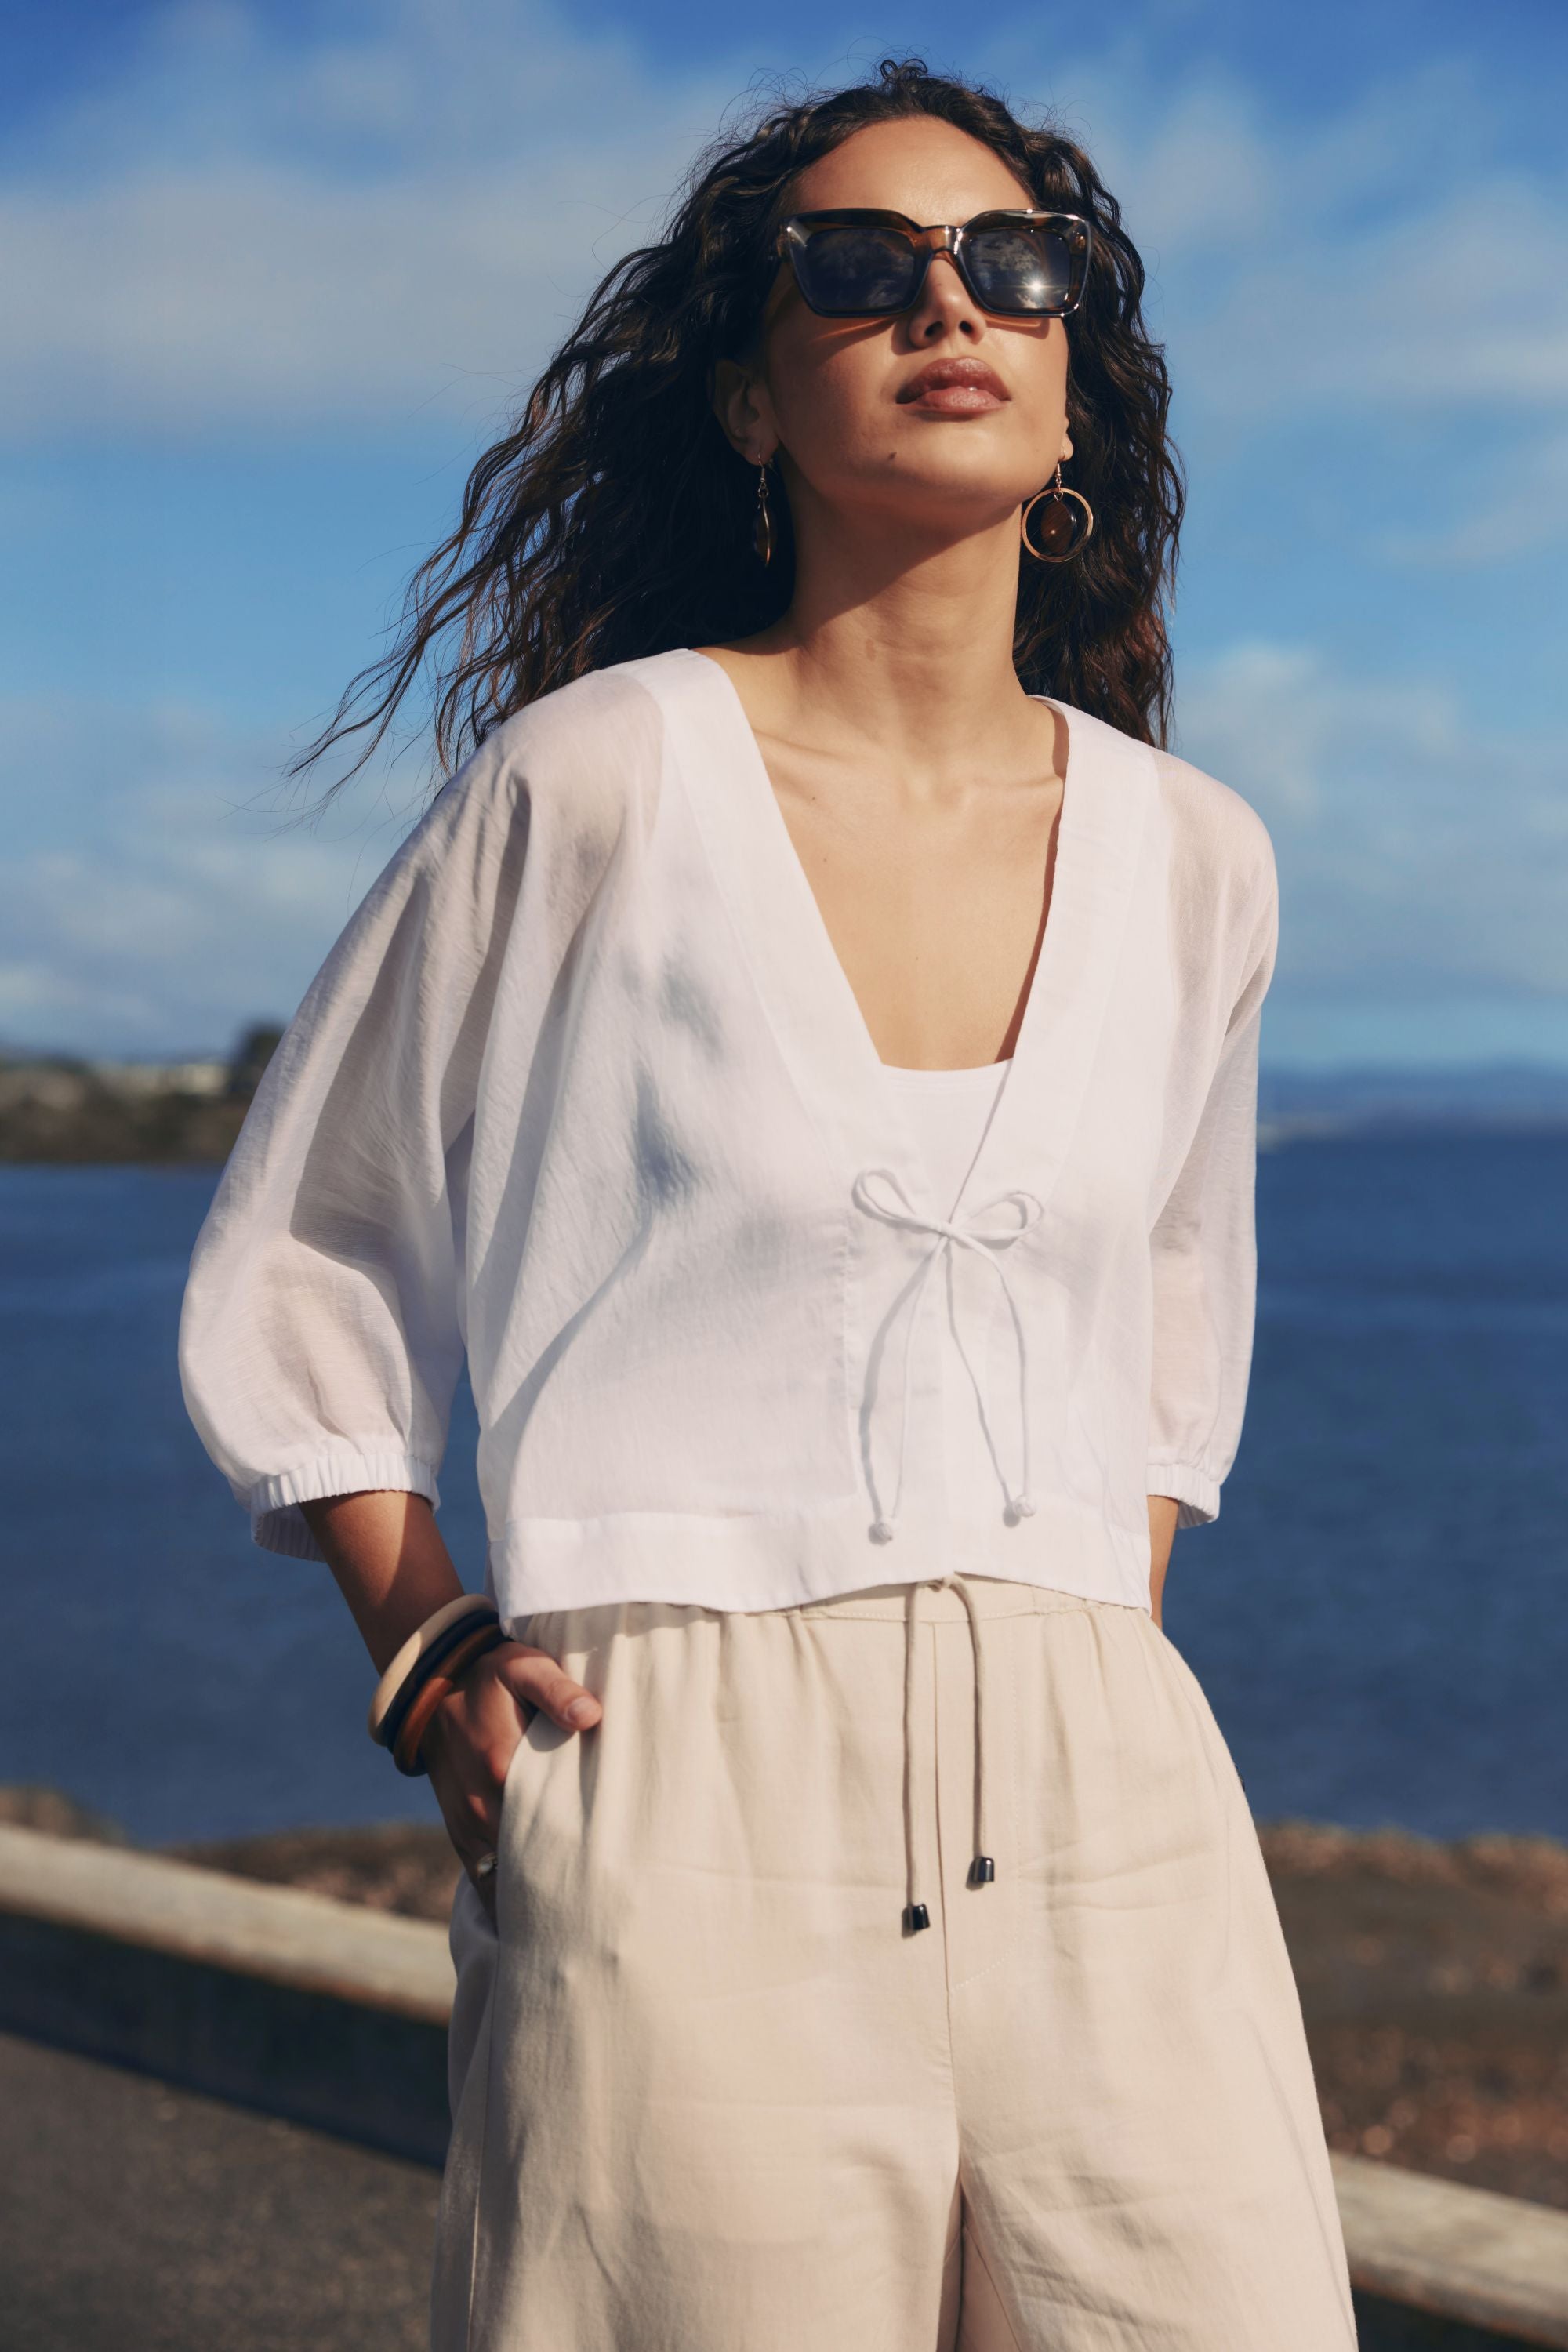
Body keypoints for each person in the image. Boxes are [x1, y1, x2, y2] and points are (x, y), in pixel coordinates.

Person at [178, 56, 1358, 2352]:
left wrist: (1069, 1628)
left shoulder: (1197, 859)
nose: (951, 302)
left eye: (1016, 269)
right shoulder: (597, 783)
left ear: (1075, 382)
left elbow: (1176, 1307)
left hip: (1112, 1803)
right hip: (679, 1795)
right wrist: (428, 1659)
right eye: (860, 267)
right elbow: (309, 1238)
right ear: (744, 396)